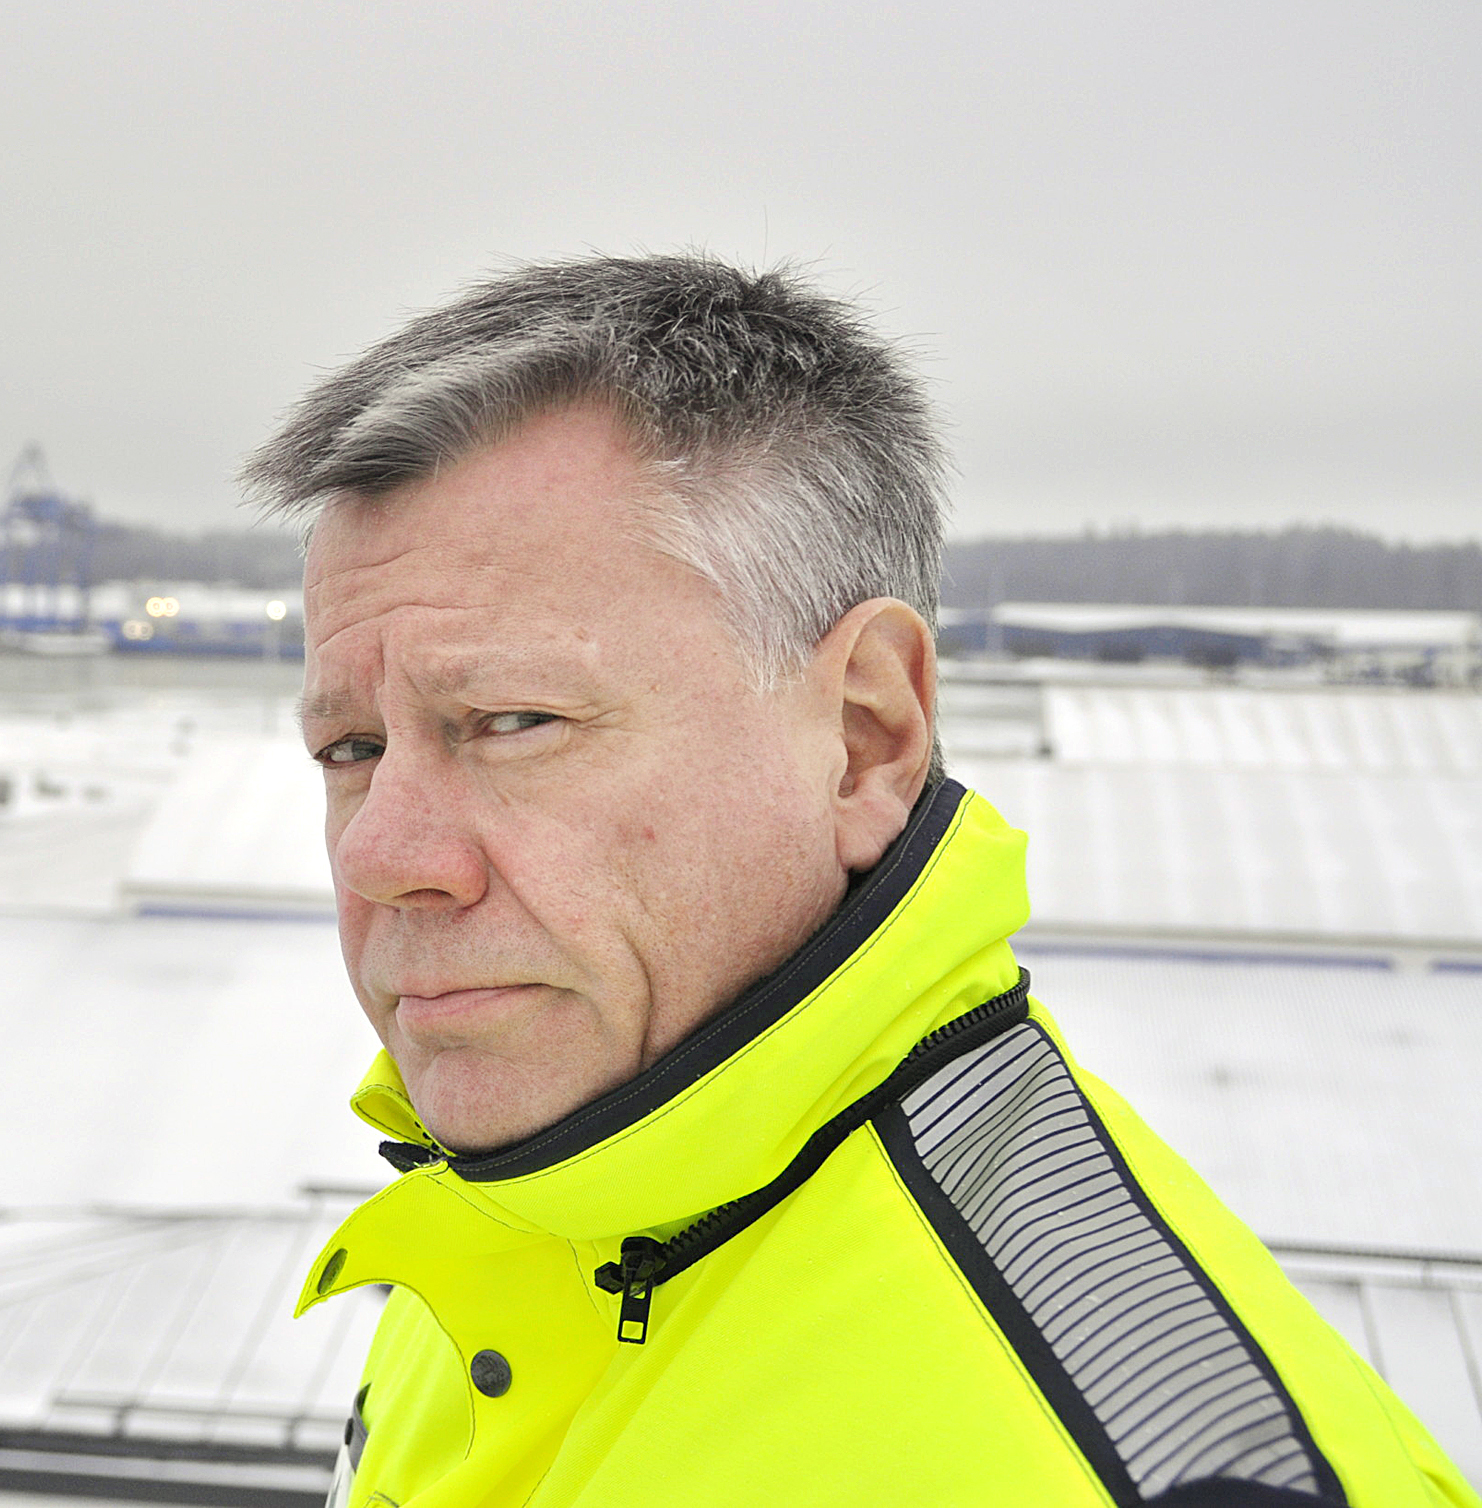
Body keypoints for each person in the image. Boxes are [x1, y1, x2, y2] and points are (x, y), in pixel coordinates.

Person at [242, 255, 1477, 1508]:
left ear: (863, 737)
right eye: (349, 747)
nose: (383, 856)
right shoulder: (502, 1225)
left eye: (514, 720)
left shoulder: (1136, 1463)